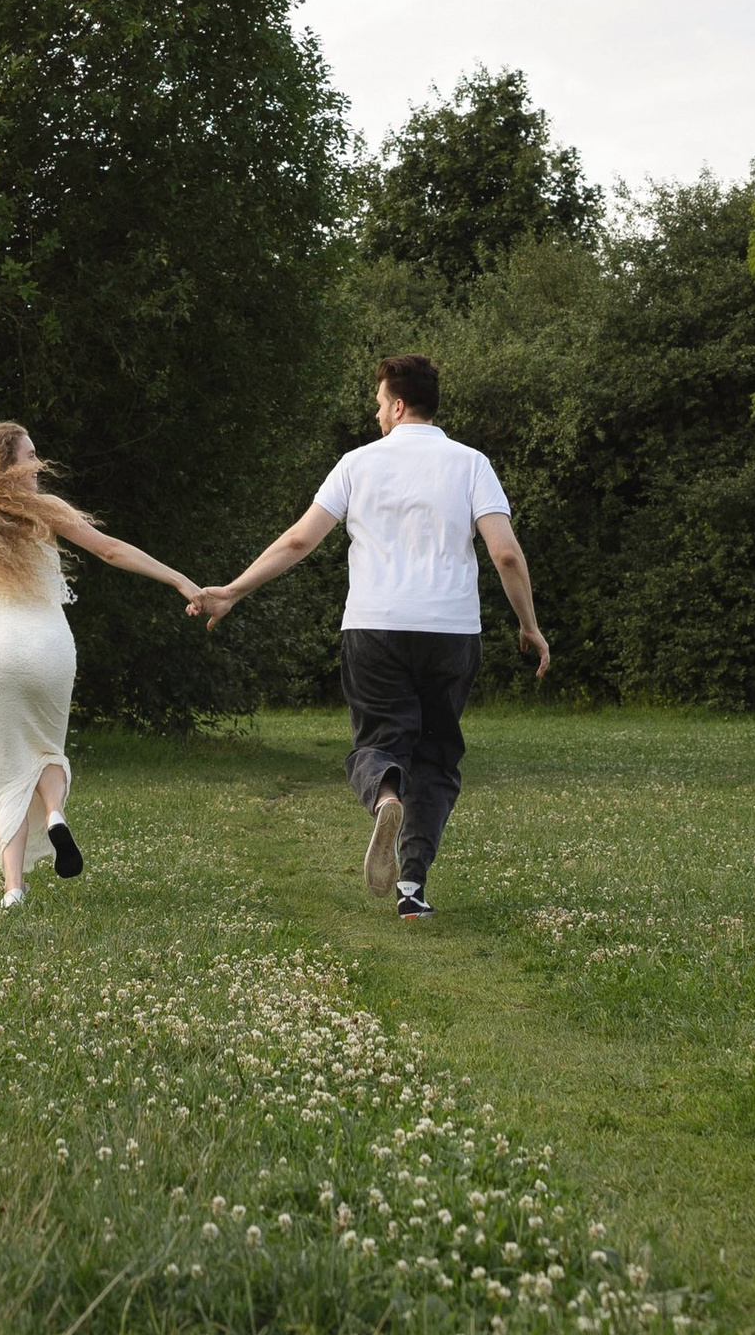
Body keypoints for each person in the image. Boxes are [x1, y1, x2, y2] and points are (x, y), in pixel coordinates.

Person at [189, 352, 545, 919]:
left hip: (374, 627)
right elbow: (504, 552)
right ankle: (412, 889)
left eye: (379, 403)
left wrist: (233, 590)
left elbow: (299, 542)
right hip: (451, 631)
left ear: (398, 404)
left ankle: (383, 793)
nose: (376, 412)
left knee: (377, 742)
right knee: (436, 757)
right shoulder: (472, 464)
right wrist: (528, 625)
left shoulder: (357, 464)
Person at [0, 421, 204, 909]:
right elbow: (109, 549)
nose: (38, 464)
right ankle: (55, 812)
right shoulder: (47, 512)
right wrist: (180, 581)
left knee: (3, 768)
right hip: (47, 648)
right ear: (7, 465)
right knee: (45, 749)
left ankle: (13, 888)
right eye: (29, 455)